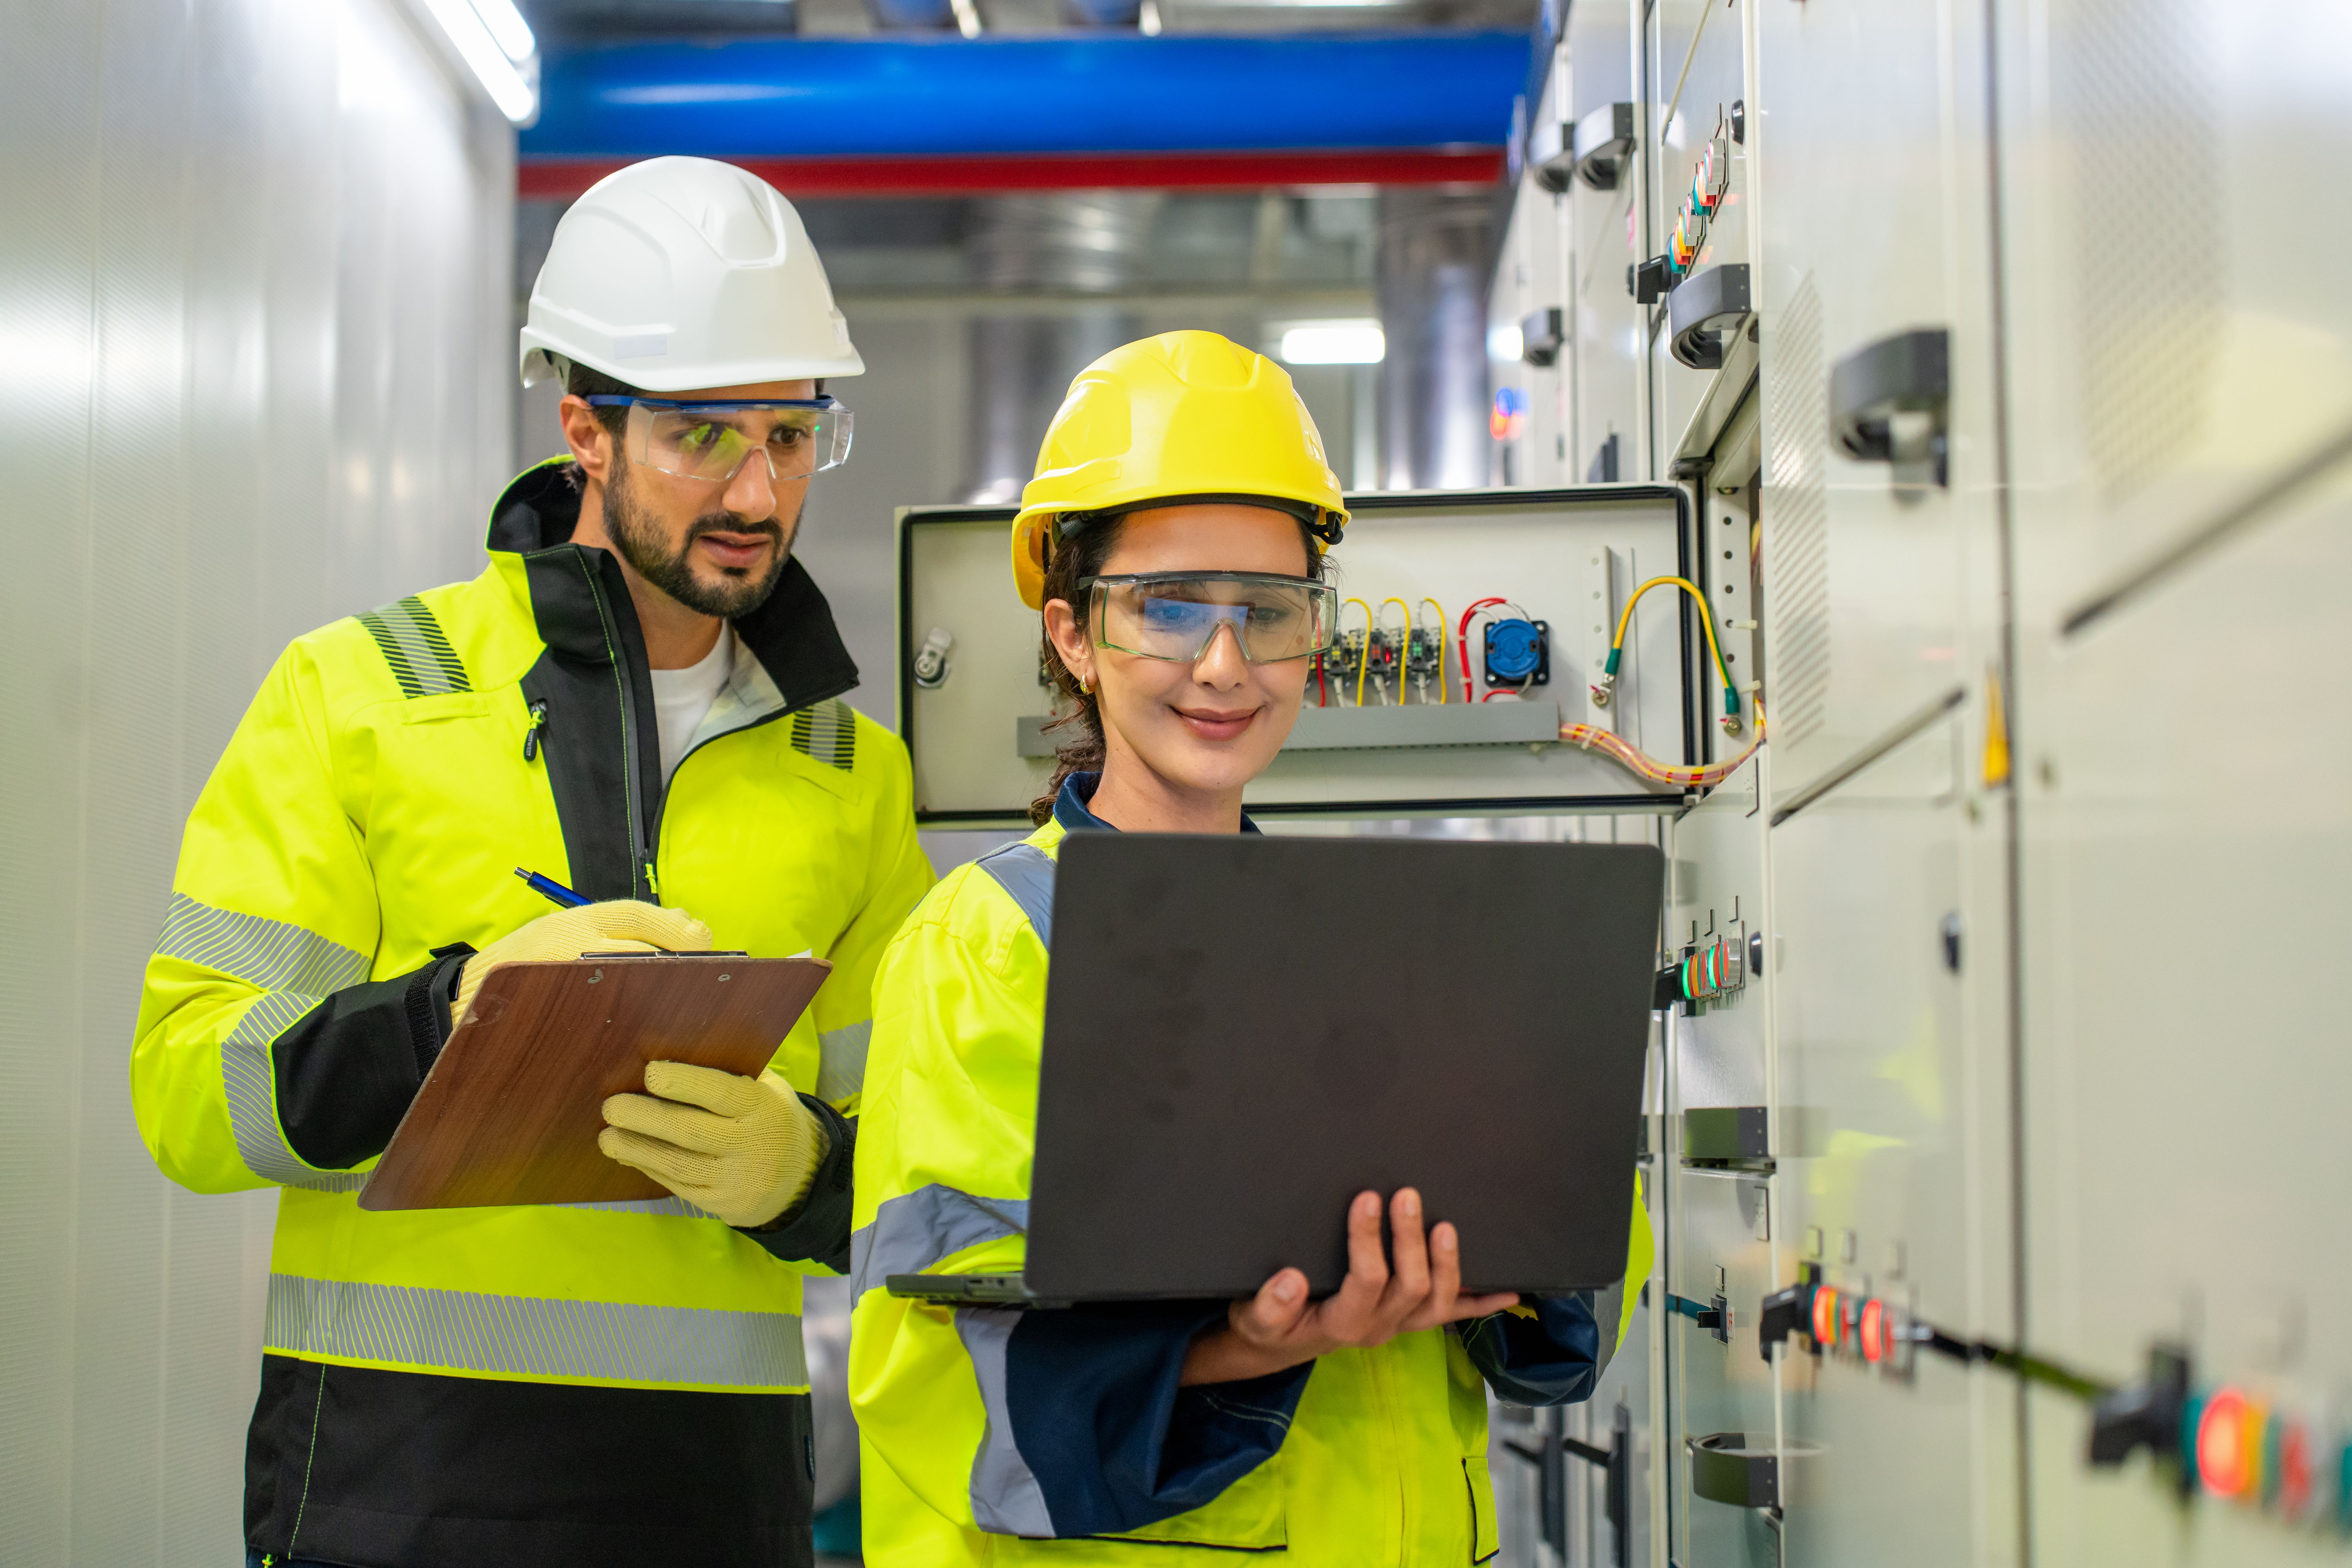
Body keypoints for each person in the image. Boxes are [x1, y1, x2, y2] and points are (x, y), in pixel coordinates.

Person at [130, 157, 934, 1568]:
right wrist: (446, 1022)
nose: (760, 487)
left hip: (718, 1507)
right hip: (394, 1489)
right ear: (587, 430)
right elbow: (191, 1093)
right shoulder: (360, 696)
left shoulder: (851, 775)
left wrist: (808, 1168)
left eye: (793, 437)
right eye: (703, 436)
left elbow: (930, 1174)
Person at [847, 330, 1652, 1563]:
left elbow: (1586, 1251)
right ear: (1072, 635)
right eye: (1167, 609)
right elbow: (939, 1376)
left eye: (1266, 612)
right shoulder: (992, 946)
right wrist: (1256, 1344)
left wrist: (1522, 1239)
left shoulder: (1398, 953)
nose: (1223, 666)